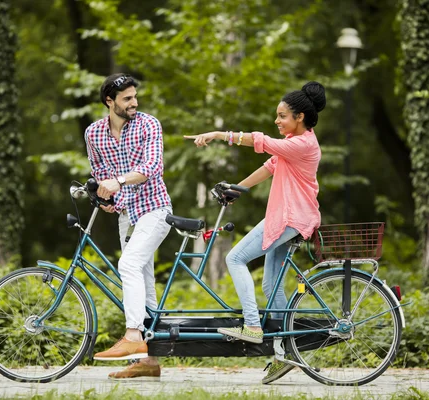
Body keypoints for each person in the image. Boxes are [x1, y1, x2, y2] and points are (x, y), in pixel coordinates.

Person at [184, 81, 325, 384]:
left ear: (299, 117)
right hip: (293, 218)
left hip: (289, 218)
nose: (277, 121)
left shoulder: (301, 145)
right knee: (272, 285)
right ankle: (287, 353)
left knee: (235, 258)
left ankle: (252, 326)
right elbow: (270, 166)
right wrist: (239, 189)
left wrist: (220, 134)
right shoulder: (298, 142)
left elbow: (259, 141)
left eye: (282, 115)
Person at [84, 73, 172, 380]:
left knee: (129, 264)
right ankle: (147, 360)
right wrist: (104, 195)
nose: (134, 103)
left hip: (154, 209)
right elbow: (100, 173)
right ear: (109, 102)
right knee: (143, 283)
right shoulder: (94, 133)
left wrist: (117, 181)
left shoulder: (149, 124)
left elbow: (152, 168)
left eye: (135, 96)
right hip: (127, 215)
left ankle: (133, 334)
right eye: (126, 99)